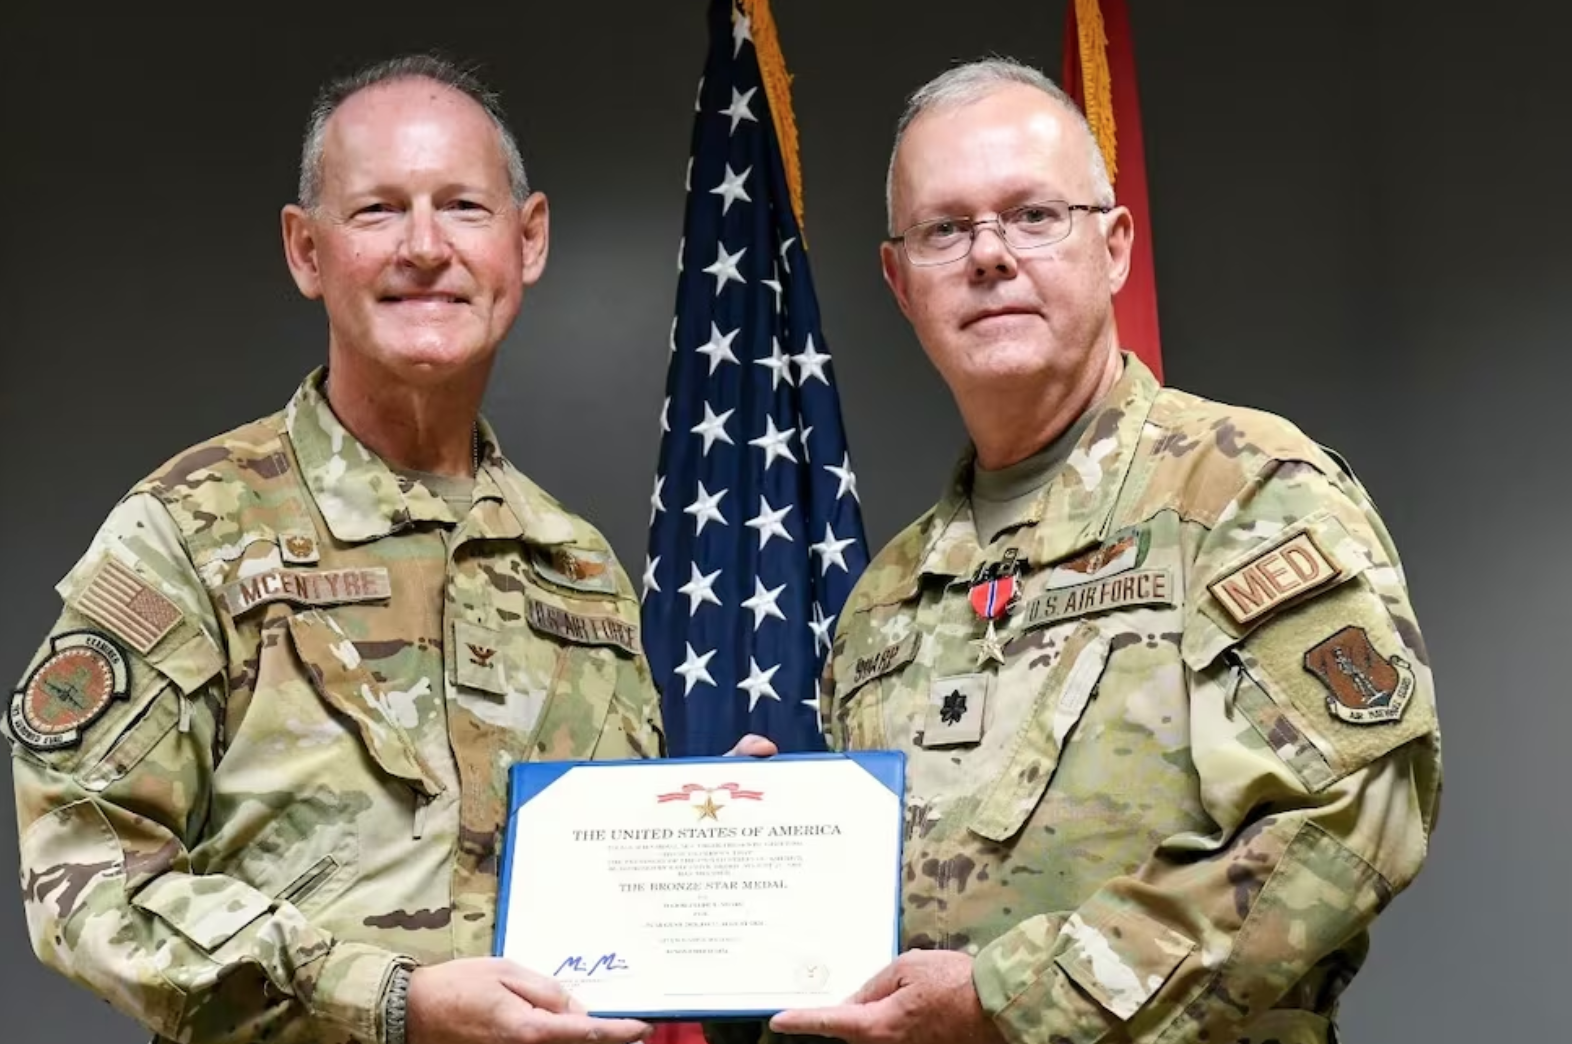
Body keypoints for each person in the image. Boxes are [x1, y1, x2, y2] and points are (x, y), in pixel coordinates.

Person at [5, 55, 781, 1044]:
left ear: (527, 240)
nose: (425, 247)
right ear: (306, 250)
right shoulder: (190, 531)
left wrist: (703, 835)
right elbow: (88, 883)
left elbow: (593, 910)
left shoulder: (577, 568)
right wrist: (391, 1001)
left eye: (462, 206)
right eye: (377, 211)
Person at [765, 59, 1442, 1044]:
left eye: (1033, 214)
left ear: (1113, 246)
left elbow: (1341, 824)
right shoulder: (887, 598)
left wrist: (1008, 1003)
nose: (989, 255)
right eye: (945, 229)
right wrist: (770, 844)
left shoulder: (1241, 489)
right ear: (898, 280)